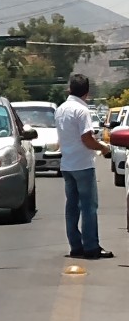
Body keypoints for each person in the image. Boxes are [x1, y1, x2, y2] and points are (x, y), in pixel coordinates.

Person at [55, 74, 113, 260]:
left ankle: (76, 246)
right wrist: (103, 148)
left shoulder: (61, 109)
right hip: (83, 165)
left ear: (70, 89)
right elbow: (87, 139)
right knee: (88, 207)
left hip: (67, 164)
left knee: (72, 207)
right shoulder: (82, 111)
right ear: (87, 93)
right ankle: (91, 247)